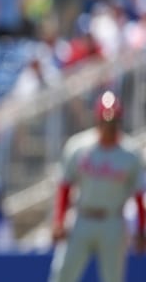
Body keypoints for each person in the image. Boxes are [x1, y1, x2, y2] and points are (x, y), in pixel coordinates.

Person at [48, 90, 146, 282]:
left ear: (119, 121)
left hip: (113, 220)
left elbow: (139, 195)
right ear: (97, 120)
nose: (109, 126)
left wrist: (141, 230)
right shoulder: (79, 146)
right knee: (62, 276)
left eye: (113, 121)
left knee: (112, 278)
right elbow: (65, 187)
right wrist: (59, 220)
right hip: (81, 218)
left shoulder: (130, 153)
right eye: (105, 120)